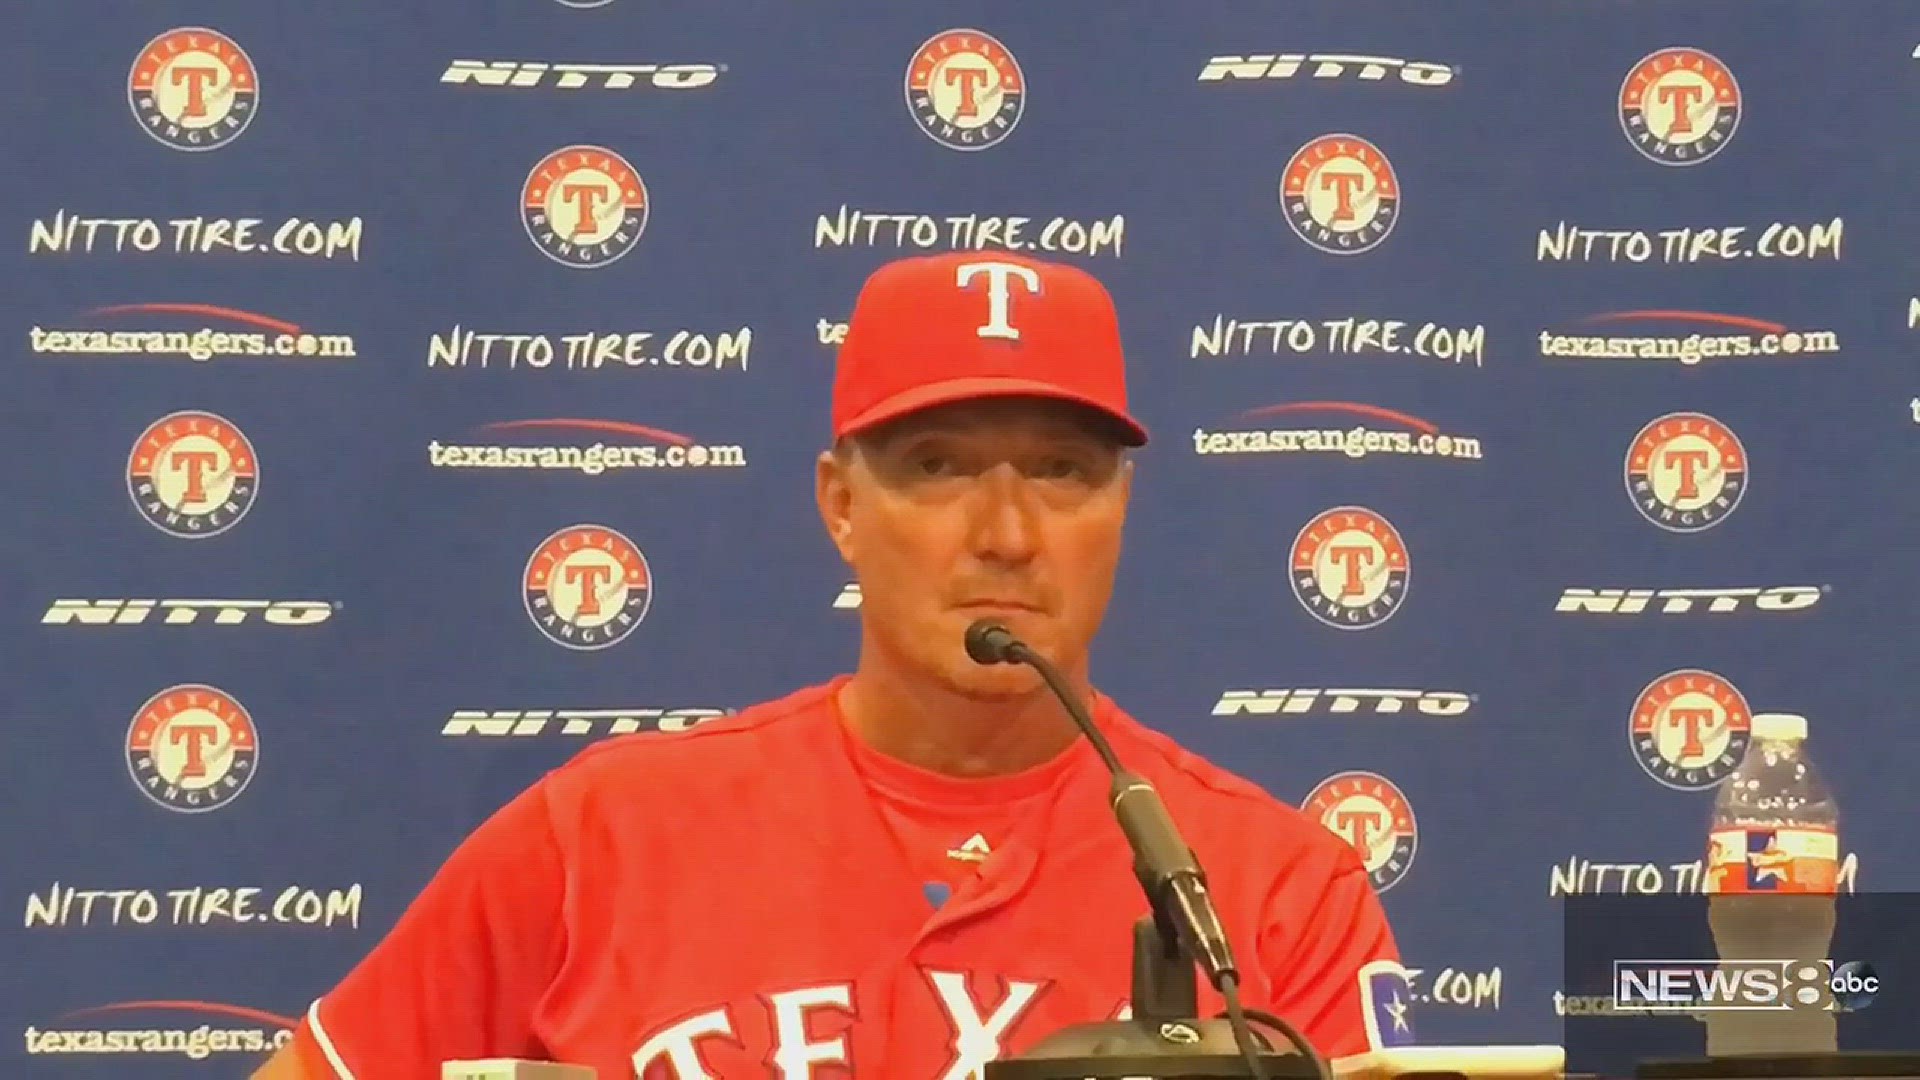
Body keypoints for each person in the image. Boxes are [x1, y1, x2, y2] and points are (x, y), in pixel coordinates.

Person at [254, 251, 1407, 1079]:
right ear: (843, 506)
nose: (1006, 531)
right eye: (939, 466)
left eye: (1060, 471)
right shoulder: (603, 836)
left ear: (1122, 508)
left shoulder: (1276, 894)